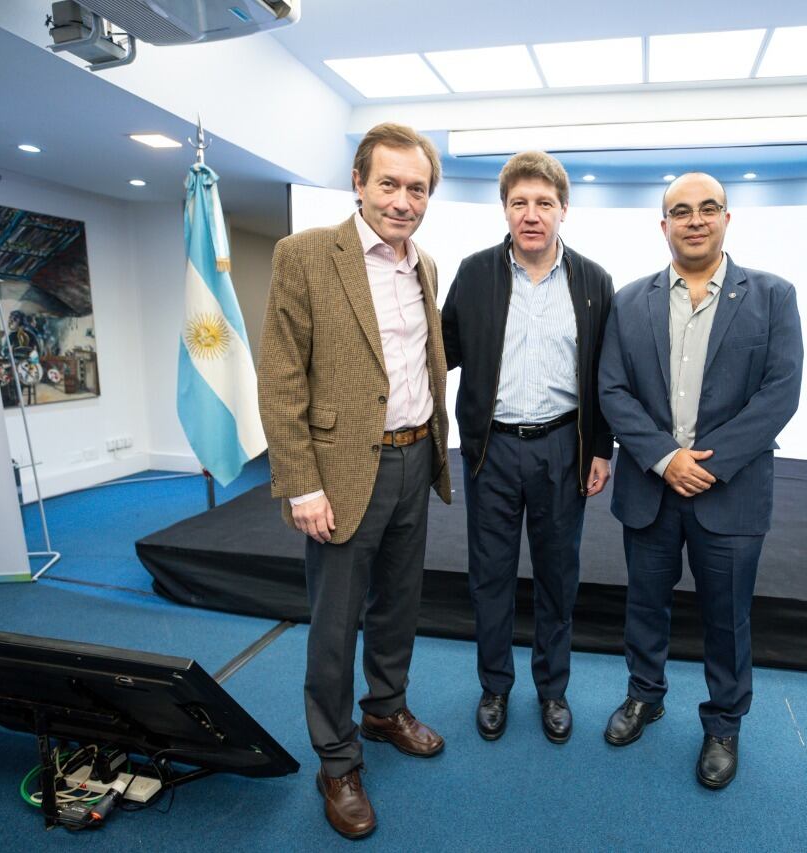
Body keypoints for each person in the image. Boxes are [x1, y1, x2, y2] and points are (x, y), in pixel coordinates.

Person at [257, 123, 451, 840]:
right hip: (339, 472)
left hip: (412, 459)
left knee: (400, 605)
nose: (403, 200)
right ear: (359, 183)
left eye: (417, 188)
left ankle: (385, 707)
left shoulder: (424, 264)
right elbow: (280, 378)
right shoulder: (306, 254)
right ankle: (336, 759)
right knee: (335, 625)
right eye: (390, 184)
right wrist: (300, 483)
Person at [598, 172, 803, 790]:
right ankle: (645, 695)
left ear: (726, 219)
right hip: (650, 487)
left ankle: (723, 724)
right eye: (680, 211)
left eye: (707, 208)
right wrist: (666, 457)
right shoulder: (629, 300)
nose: (694, 220)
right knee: (644, 606)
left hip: (731, 493)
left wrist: (706, 465)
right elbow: (612, 388)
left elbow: (780, 393)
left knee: (728, 618)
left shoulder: (772, 295)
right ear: (663, 226)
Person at [441, 151, 614, 744]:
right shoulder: (474, 273)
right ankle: (495, 686)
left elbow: (602, 376)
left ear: (563, 210)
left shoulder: (593, 281)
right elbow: (441, 353)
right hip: (492, 450)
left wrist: (602, 448)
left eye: (544, 203)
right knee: (489, 576)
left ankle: (552, 690)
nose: (532, 214)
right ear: (505, 209)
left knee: (557, 576)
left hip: (562, 448)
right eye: (520, 203)